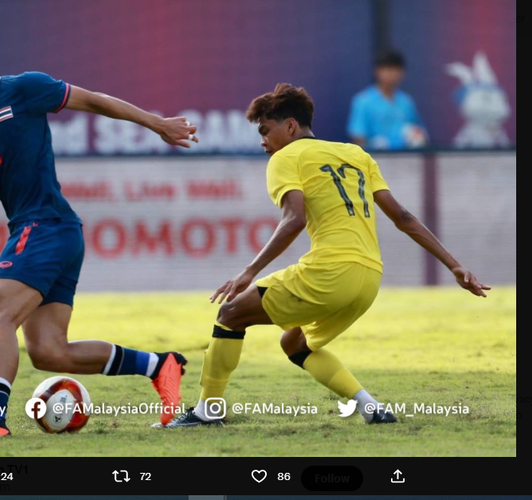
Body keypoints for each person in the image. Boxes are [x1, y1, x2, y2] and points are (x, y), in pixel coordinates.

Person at [0, 31, 199, 439]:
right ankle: (160, 366)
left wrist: (157, 124)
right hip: (48, 231)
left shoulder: (24, 89)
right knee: (49, 352)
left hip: (45, 226)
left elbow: (95, 100)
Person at [160, 83, 489, 428]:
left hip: (331, 272)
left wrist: (248, 271)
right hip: (368, 279)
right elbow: (403, 217)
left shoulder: (286, 157)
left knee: (230, 313)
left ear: (289, 126)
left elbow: (294, 220)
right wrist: (455, 265)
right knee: (295, 342)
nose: (262, 141)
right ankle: (371, 407)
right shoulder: (356, 155)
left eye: (265, 130)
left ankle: (206, 412)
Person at [347, 49, 428, 150]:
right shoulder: (363, 100)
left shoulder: (406, 101)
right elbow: (358, 137)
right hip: (374, 159)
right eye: (388, 69)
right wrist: (374, 145)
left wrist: (416, 136)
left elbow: (418, 131)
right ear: (377, 71)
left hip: (405, 160)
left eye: (396, 69)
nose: (392, 74)